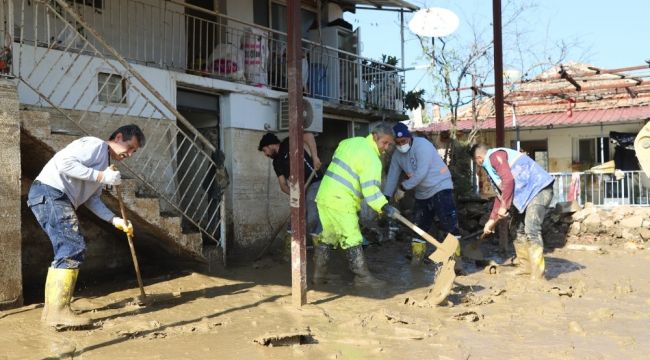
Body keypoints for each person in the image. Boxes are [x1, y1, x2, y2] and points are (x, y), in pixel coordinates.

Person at [27, 124, 145, 328]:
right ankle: (58, 311)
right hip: (51, 192)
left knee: (68, 247)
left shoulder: (104, 163)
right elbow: (64, 163)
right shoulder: (95, 145)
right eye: (130, 147)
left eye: (134, 151)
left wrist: (115, 220)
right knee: (72, 247)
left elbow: (93, 201)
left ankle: (52, 311)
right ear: (118, 137)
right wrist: (101, 176)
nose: (130, 154)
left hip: (54, 197)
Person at [313, 122, 399, 288]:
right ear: (375, 137)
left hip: (324, 195)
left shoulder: (350, 142)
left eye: (389, 144)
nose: (387, 147)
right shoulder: (372, 159)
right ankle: (362, 277)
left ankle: (319, 275)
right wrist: (385, 206)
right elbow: (371, 191)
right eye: (384, 143)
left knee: (328, 236)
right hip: (341, 200)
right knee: (353, 238)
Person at [383, 123, 462, 267]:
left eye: (404, 141)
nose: (401, 145)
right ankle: (416, 260)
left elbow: (421, 173)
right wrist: (385, 198)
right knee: (419, 226)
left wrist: (402, 188)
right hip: (422, 192)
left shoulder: (422, 146)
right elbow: (392, 176)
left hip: (440, 186)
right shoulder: (397, 155)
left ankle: (456, 262)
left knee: (448, 223)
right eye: (398, 143)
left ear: (410, 137)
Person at [471, 144, 554, 280]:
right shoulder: (493, 168)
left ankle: (538, 273)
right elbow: (501, 195)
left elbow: (508, 181)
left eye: (476, 163)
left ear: (479, 158)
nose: (478, 166)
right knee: (515, 228)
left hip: (539, 189)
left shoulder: (495, 156)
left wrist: (504, 206)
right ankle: (525, 267)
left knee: (532, 228)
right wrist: (491, 221)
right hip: (527, 195)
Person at [258, 132, 323, 239]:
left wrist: (315, 157)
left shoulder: (289, 142)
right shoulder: (276, 163)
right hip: (298, 189)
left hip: (314, 180)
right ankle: (292, 244)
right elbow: (283, 185)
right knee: (295, 214)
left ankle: (319, 243)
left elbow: (308, 136)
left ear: (270, 145)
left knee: (311, 205)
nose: (266, 154)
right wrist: (294, 194)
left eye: (265, 150)